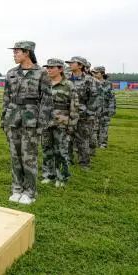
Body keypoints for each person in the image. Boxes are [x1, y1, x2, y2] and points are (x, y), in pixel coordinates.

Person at [1, 41, 52, 205]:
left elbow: (47, 101)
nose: (14, 54)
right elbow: (6, 98)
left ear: (27, 53)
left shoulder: (41, 73)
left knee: (28, 156)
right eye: (14, 52)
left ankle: (29, 192)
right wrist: (3, 119)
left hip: (31, 119)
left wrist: (42, 124)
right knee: (15, 155)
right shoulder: (11, 73)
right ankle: (17, 188)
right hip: (12, 118)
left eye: (17, 52)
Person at [41, 58, 78, 187]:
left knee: (61, 152)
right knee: (47, 150)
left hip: (61, 124)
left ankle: (62, 177)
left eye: (52, 67)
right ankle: (48, 175)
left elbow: (74, 107)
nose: (49, 70)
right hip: (46, 123)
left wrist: (71, 126)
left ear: (60, 69)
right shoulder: (44, 84)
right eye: (47, 67)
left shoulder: (68, 85)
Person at [65, 56, 98, 169]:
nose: (70, 64)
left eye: (72, 63)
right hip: (68, 114)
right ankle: (68, 160)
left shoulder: (89, 80)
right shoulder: (66, 78)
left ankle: (84, 163)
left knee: (82, 139)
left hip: (83, 115)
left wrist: (88, 113)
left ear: (80, 65)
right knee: (67, 138)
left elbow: (94, 98)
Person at [92, 66, 116, 148]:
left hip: (105, 109)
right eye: (93, 72)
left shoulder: (108, 84)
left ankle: (103, 143)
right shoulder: (92, 83)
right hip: (94, 109)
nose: (94, 74)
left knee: (104, 127)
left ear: (102, 73)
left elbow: (112, 98)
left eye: (96, 72)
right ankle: (95, 143)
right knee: (94, 127)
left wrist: (111, 109)